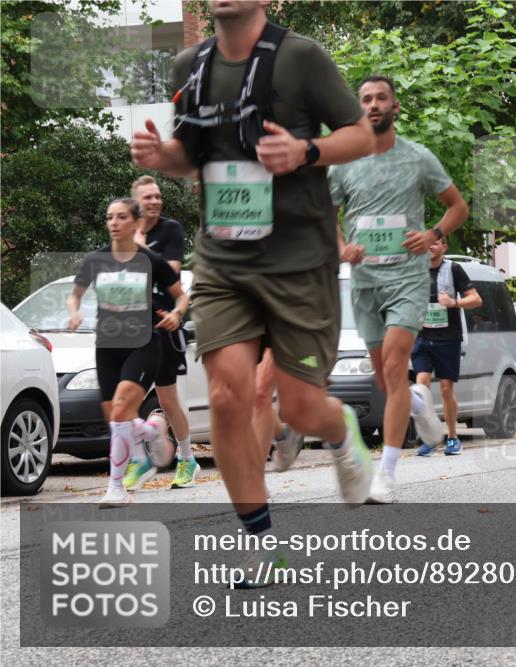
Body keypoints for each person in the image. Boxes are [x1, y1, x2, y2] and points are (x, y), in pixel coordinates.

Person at [132, 0, 377, 580]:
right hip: (223, 262)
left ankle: (340, 430)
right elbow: (191, 157)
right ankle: (260, 539)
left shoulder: (301, 58)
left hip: (299, 262)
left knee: (299, 406)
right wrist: (158, 156)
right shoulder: (190, 64)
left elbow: (363, 134)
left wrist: (305, 151)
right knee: (226, 394)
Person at [330, 75, 469, 503]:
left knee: (393, 367)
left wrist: (431, 234)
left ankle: (386, 474)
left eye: (381, 98)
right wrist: (342, 248)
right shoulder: (344, 162)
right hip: (366, 281)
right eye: (366, 99)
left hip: (407, 280)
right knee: (386, 378)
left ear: (395, 107)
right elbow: (323, 213)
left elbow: (458, 207)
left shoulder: (418, 158)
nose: (373, 105)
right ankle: (417, 403)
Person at [67, 198, 188, 507]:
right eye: (110, 217)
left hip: (144, 341)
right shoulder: (96, 260)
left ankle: (116, 487)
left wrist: (176, 315)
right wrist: (74, 312)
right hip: (107, 345)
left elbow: (181, 297)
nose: (114, 222)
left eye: (121, 217)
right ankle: (150, 430)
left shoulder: (151, 261)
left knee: (121, 408)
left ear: (136, 223)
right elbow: (75, 294)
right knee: (114, 415)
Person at [128, 175, 200, 489]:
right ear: (136, 203)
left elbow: (169, 272)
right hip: (131, 325)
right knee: (123, 399)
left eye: (157, 196)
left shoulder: (170, 230)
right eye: (148, 198)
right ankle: (138, 459)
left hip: (164, 323)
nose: (155, 201)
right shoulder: (124, 230)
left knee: (168, 399)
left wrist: (139, 246)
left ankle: (187, 459)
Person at [413, 237, 481, 455]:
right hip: (422, 336)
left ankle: (452, 437)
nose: (431, 245)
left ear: (444, 247)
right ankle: (429, 437)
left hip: (448, 337)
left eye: (436, 242)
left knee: (445, 388)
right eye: (428, 242)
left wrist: (454, 302)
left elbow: (476, 299)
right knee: (420, 387)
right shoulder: (415, 269)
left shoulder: (454, 269)